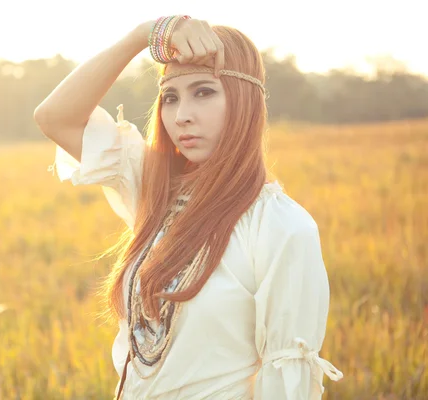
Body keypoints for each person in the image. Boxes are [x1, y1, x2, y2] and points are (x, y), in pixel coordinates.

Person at [34, 15, 344, 400]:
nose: (181, 116)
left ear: (245, 100)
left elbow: (285, 383)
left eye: (204, 92)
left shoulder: (281, 227)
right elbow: (53, 117)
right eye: (170, 98)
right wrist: (141, 35)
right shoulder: (154, 188)